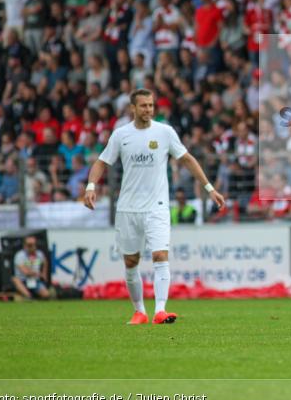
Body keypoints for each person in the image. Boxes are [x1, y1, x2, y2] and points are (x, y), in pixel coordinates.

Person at [83, 89, 225, 325]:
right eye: (143, 106)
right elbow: (101, 161)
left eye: (151, 105)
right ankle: (139, 311)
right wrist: (90, 186)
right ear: (133, 108)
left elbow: (187, 159)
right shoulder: (121, 135)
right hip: (128, 208)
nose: (148, 110)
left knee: (160, 255)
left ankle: (160, 310)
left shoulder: (165, 132)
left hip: (157, 207)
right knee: (131, 262)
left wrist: (210, 189)